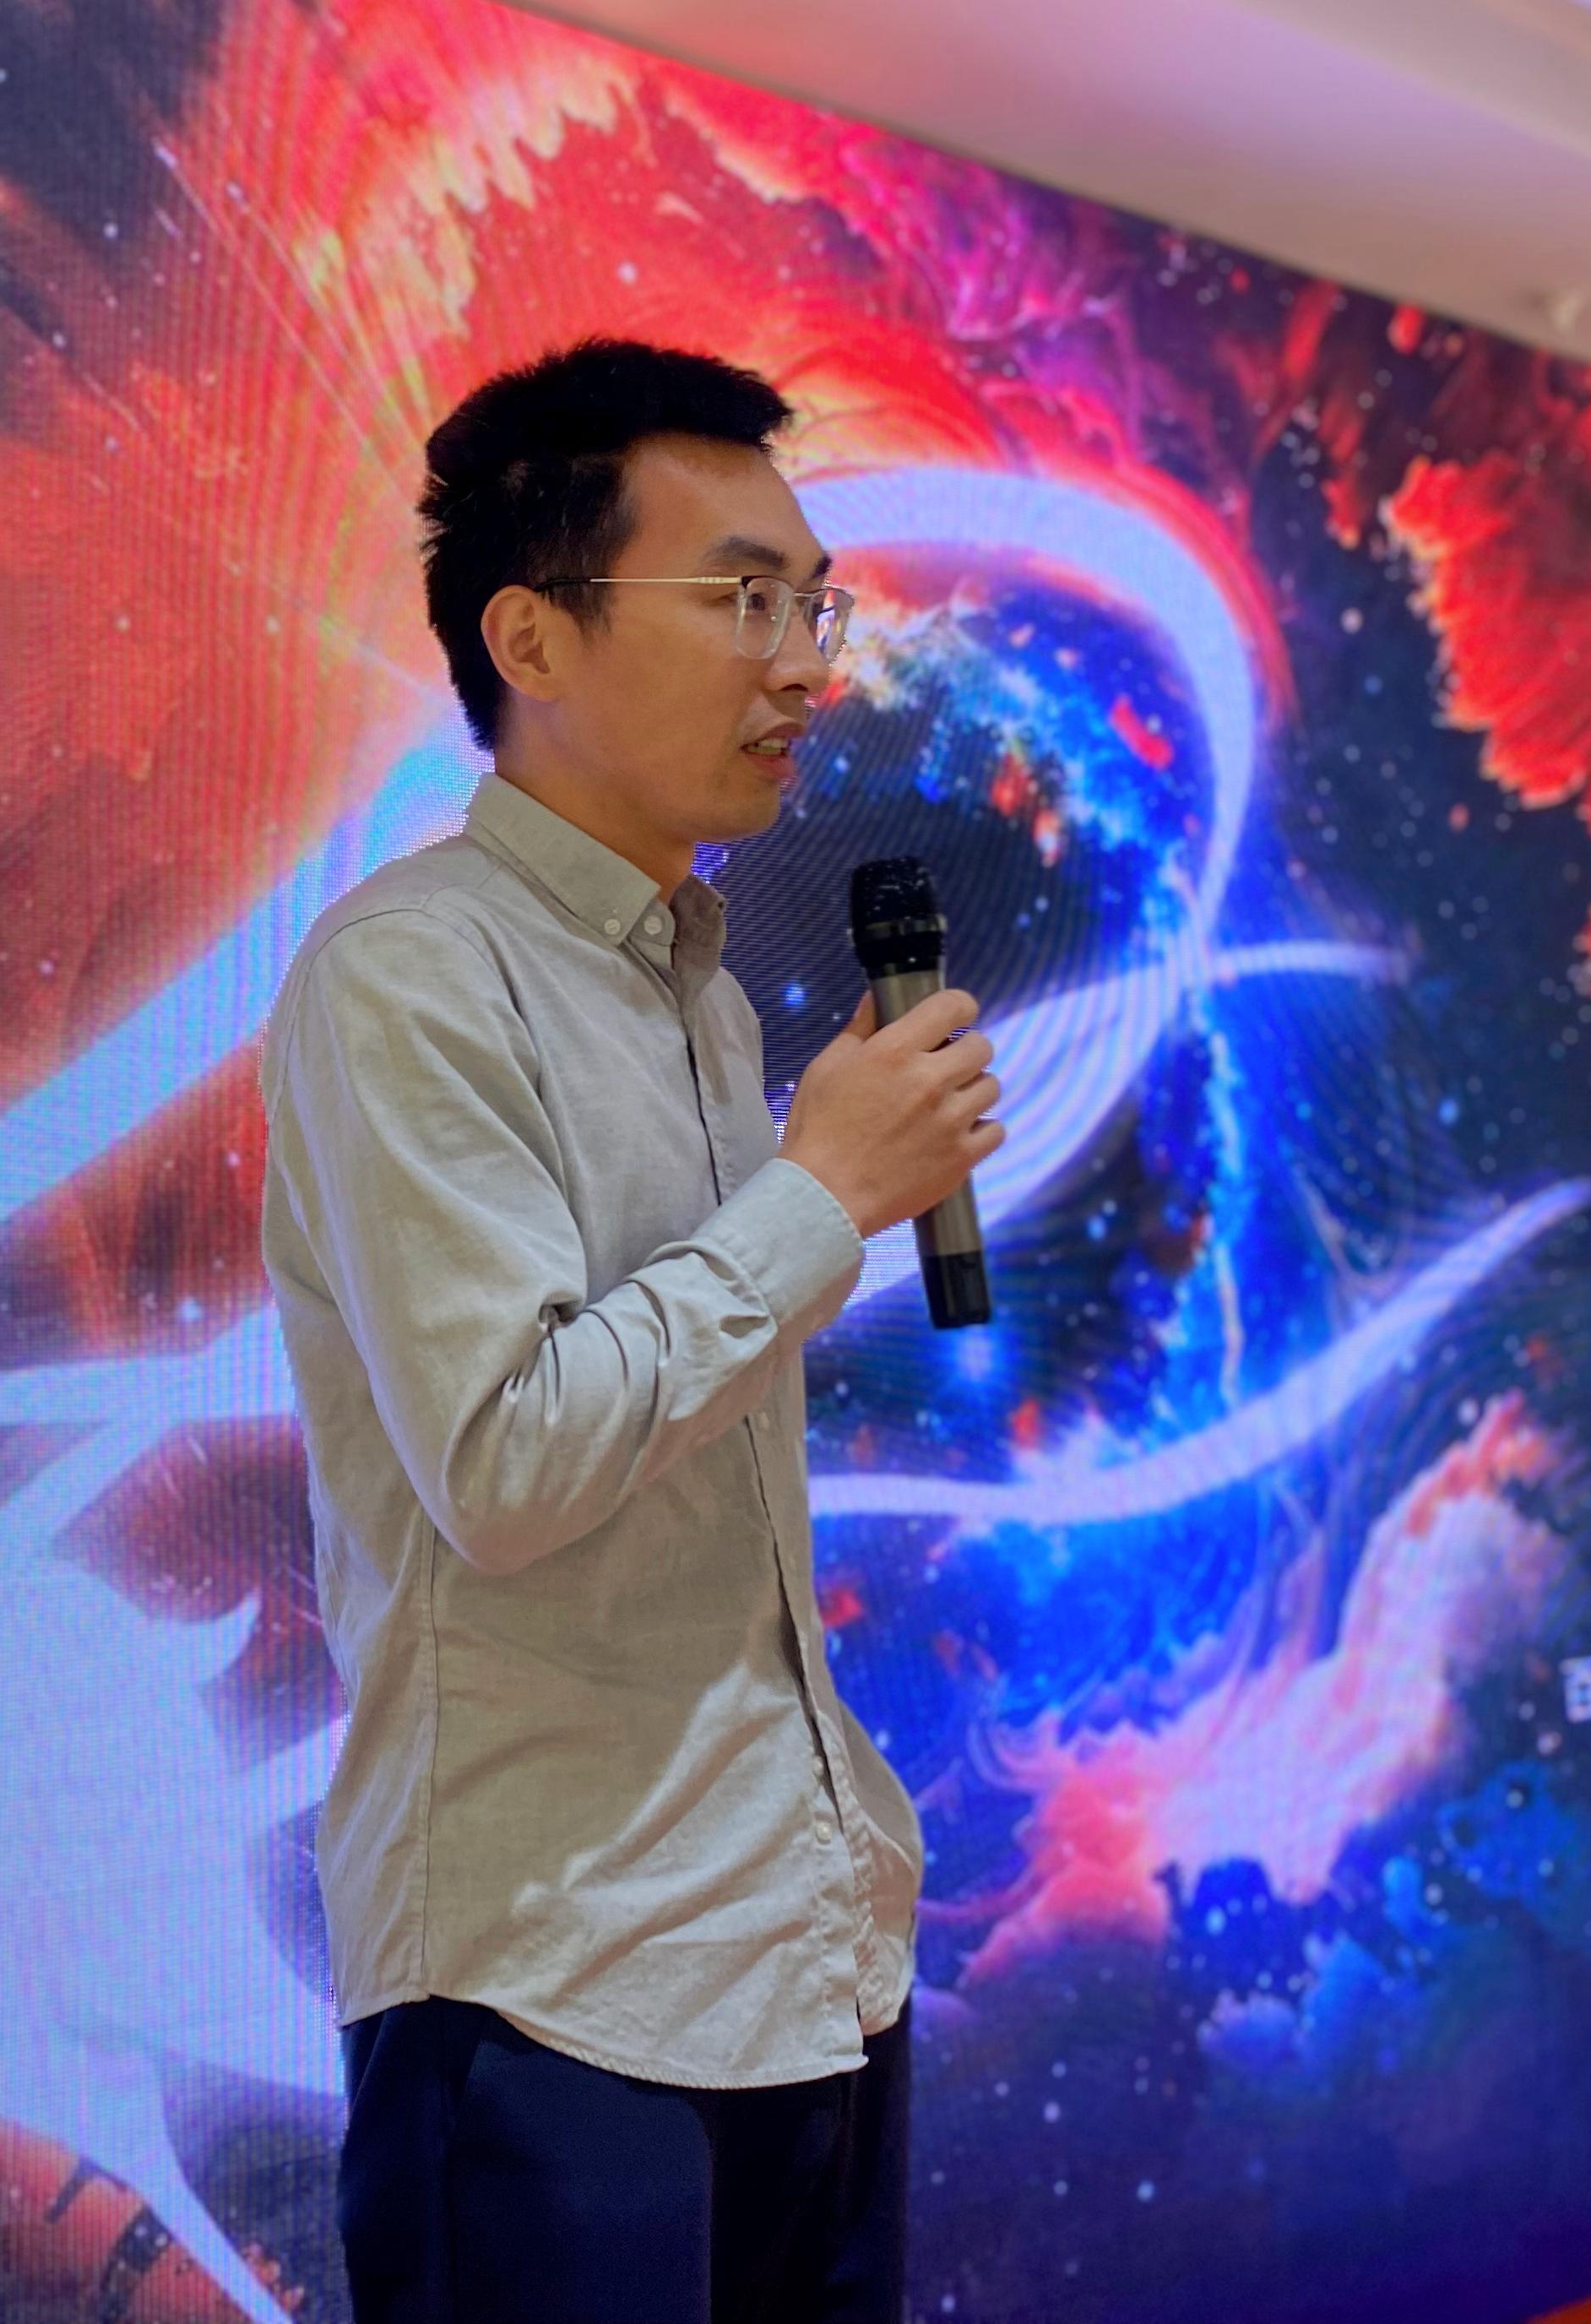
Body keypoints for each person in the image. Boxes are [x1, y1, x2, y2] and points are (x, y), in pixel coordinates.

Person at [258, 338, 1006, 2323]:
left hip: (801, 1951)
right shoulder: (407, 975)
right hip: (550, 1991)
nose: (803, 666)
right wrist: (821, 1191)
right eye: (741, 600)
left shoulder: (703, 994)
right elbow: (505, 1466)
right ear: (534, 635)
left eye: (813, 607)